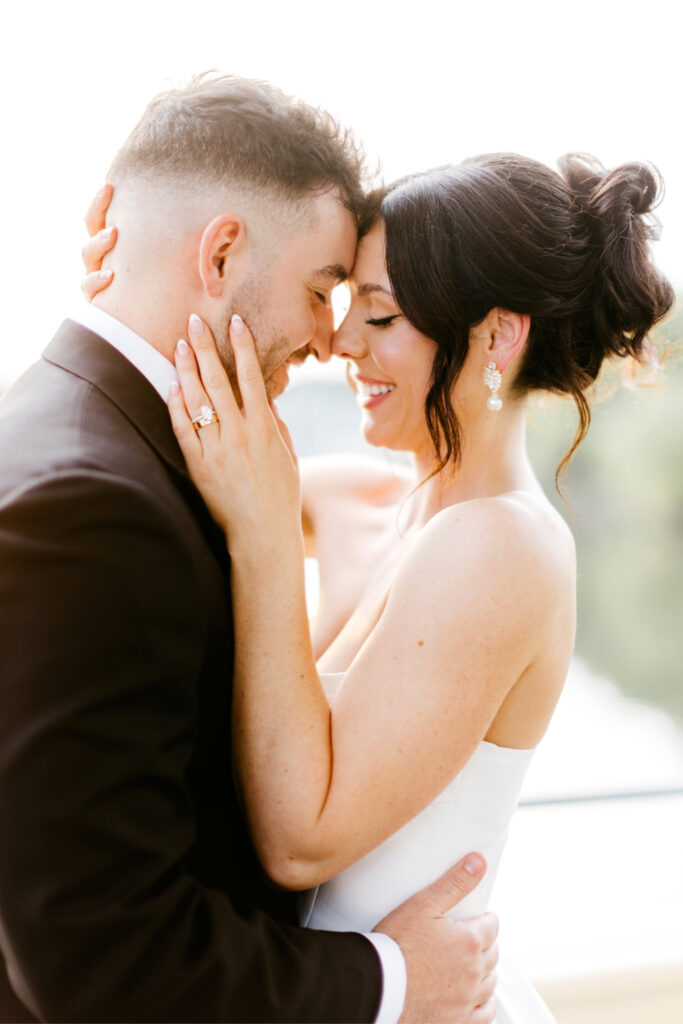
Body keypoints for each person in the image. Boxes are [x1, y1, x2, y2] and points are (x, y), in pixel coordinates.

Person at [85, 150, 673, 1022]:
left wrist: (265, 540)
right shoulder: (362, 501)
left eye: (381, 315)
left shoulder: (502, 546)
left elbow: (302, 842)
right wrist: (130, 297)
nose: (338, 342)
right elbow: (174, 467)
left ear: (496, 338)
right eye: (343, 306)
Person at [0, 76, 500, 1023]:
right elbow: (95, 954)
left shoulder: (89, 433)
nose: (328, 337)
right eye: (322, 290)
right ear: (222, 251)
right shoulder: (90, 505)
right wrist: (391, 982)